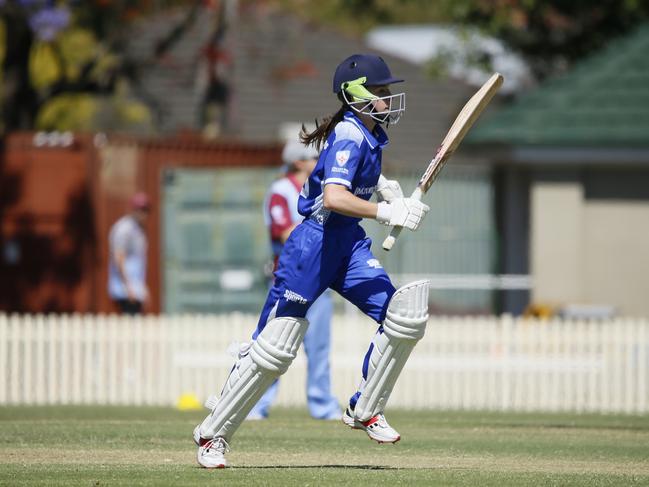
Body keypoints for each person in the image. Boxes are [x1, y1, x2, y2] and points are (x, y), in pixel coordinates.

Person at [193, 53, 430, 468]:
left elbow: (357, 178)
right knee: (275, 346)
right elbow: (334, 196)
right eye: (380, 91)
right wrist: (387, 212)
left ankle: (365, 407)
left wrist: (385, 188)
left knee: (403, 315)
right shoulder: (349, 134)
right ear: (355, 95)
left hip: (348, 244)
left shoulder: (370, 134)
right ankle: (213, 434)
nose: (389, 98)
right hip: (314, 244)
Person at [247, 139, 342, 421]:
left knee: (319, 349)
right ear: (299, 161)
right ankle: (256, 405)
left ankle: (323, 406)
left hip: (319, 279)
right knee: (272, 347)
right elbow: (283, 231)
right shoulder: (280, 190)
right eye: (315, 157)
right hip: (290, 279)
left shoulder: (324, 190)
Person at [108, 192, 150, 314]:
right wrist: (128, 287)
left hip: (136, 287)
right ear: (133, 209)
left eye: (145, 210)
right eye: (140, 209)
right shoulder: (124, 229)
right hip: (124, 289)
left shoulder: (139, 229)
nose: (143, 213)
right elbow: (119, 258)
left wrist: (142, 288)